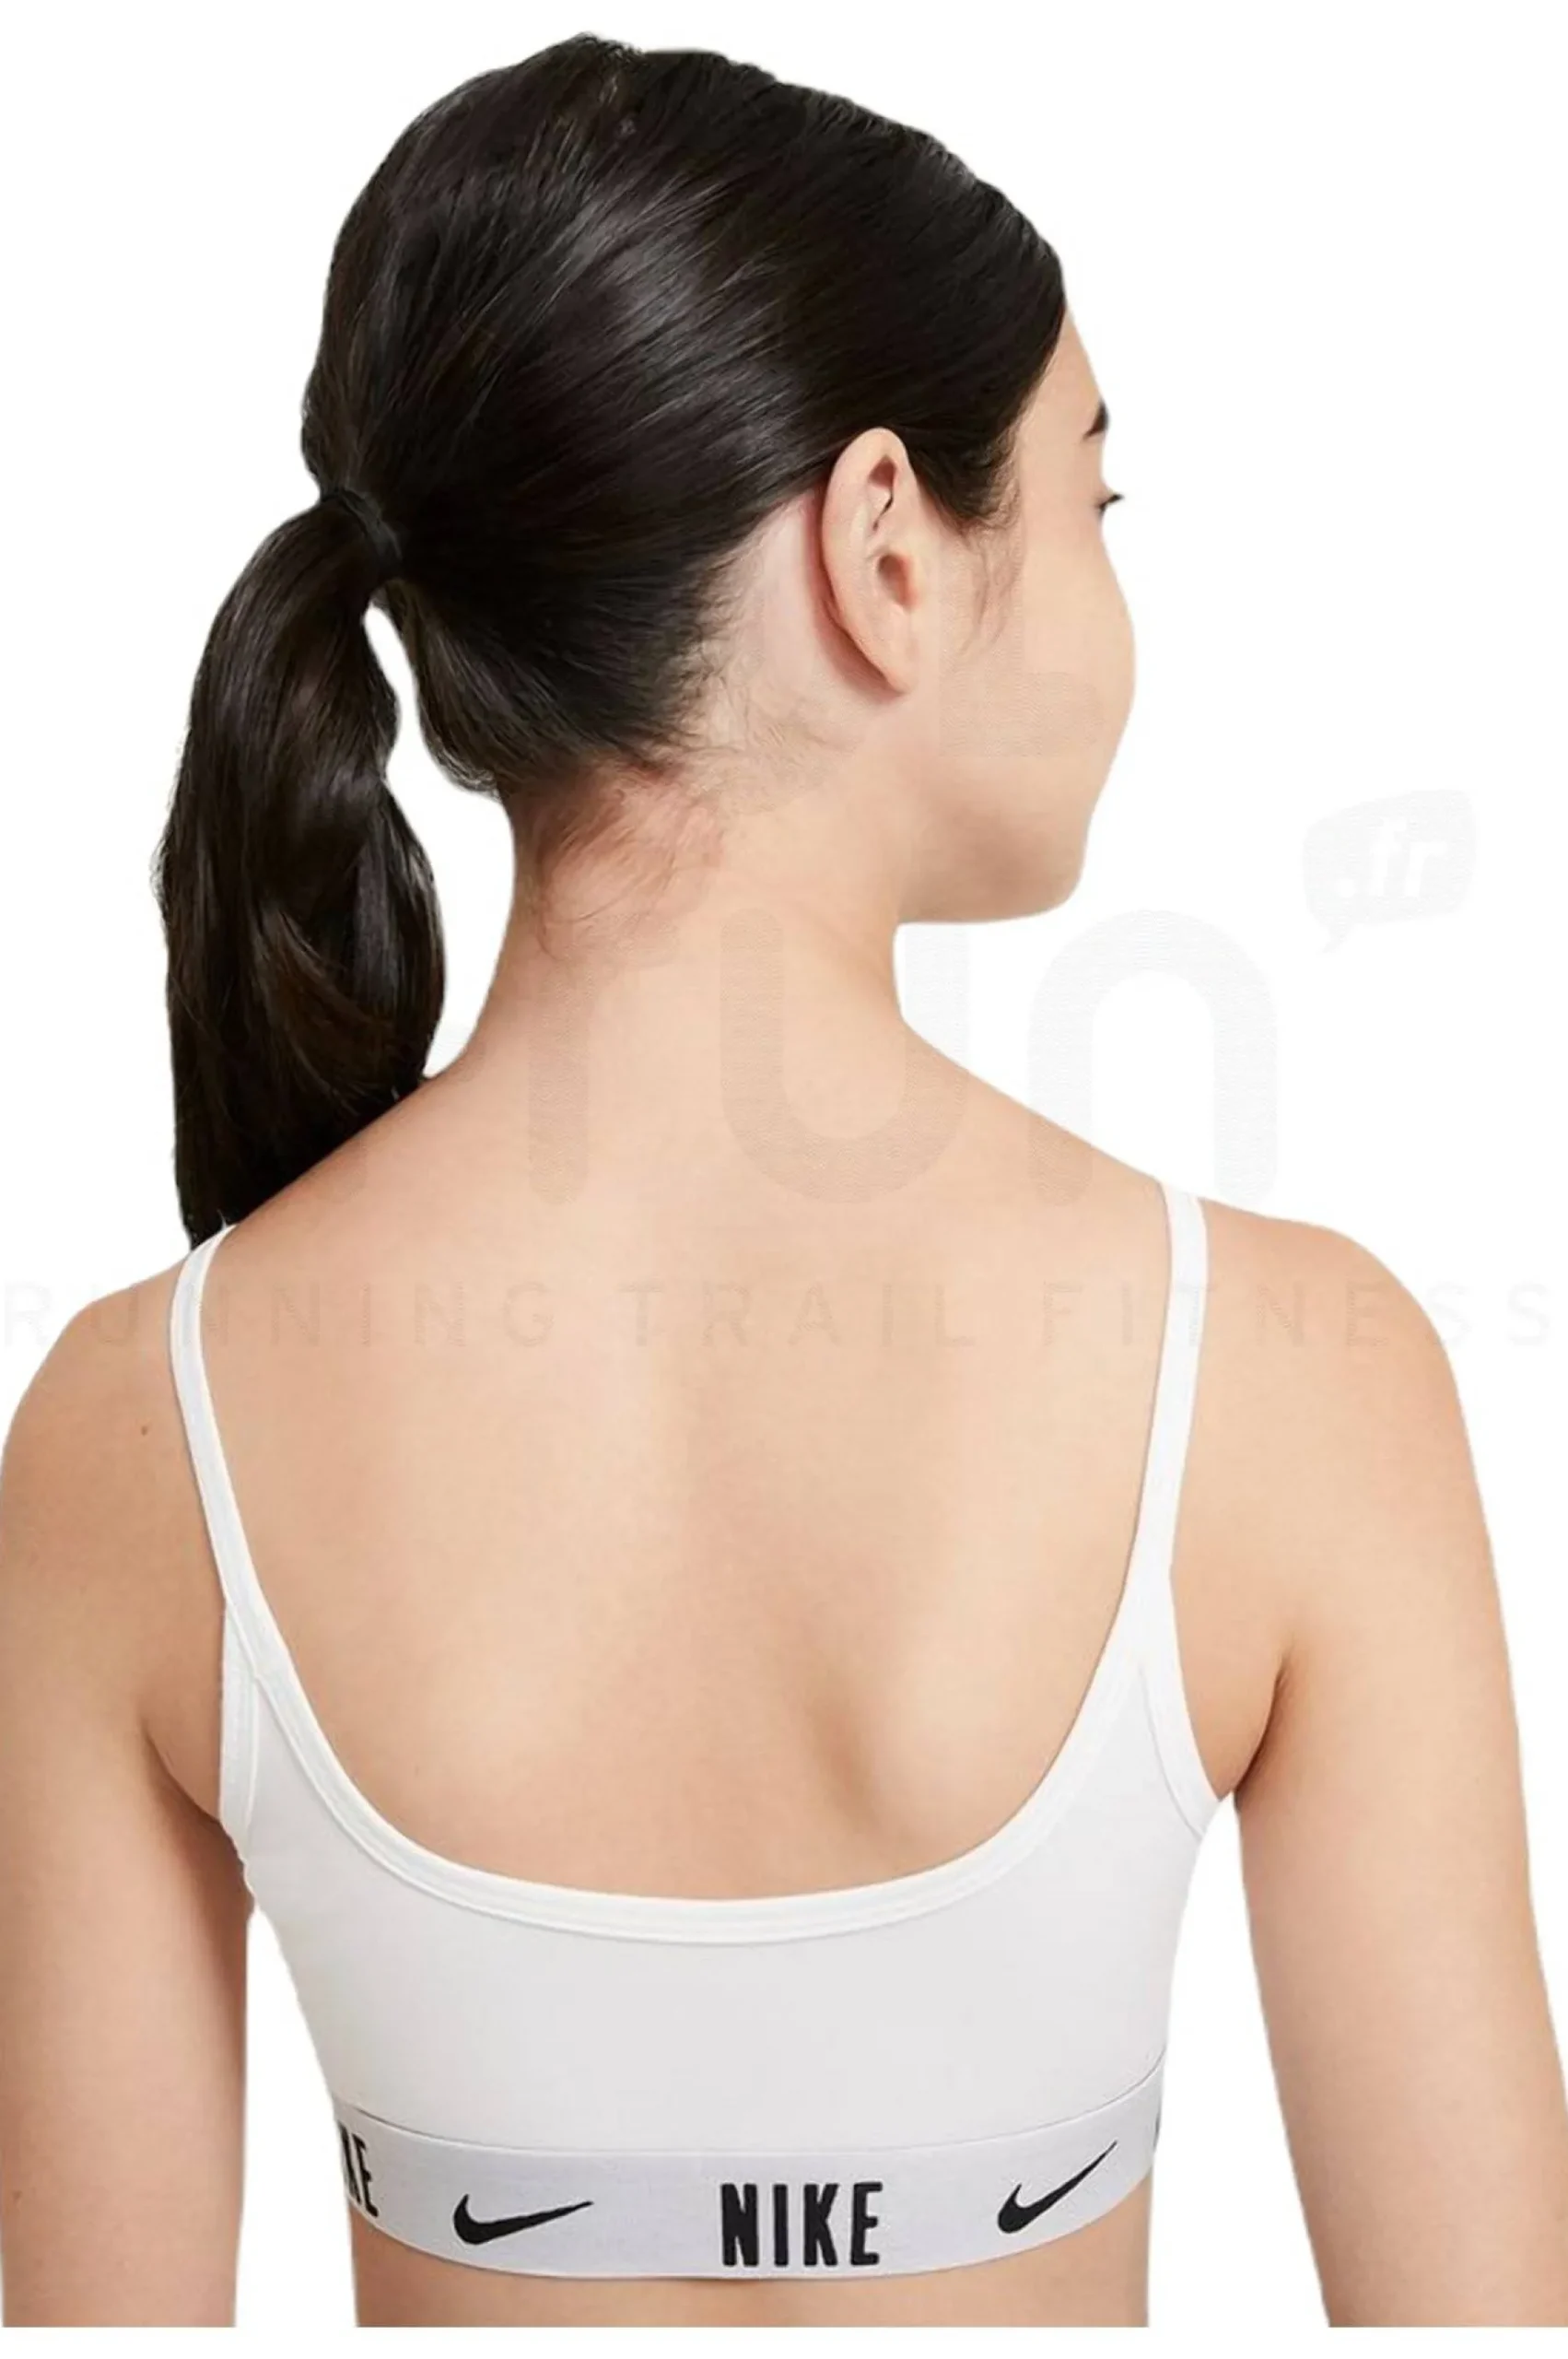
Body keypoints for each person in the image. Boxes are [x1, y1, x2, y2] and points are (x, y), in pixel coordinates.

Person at [1, 32, 1564, 2331]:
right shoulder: (1288, 1384)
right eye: (1093, 500)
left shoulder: (135, 1427)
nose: (1115, 606)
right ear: (883, 548)